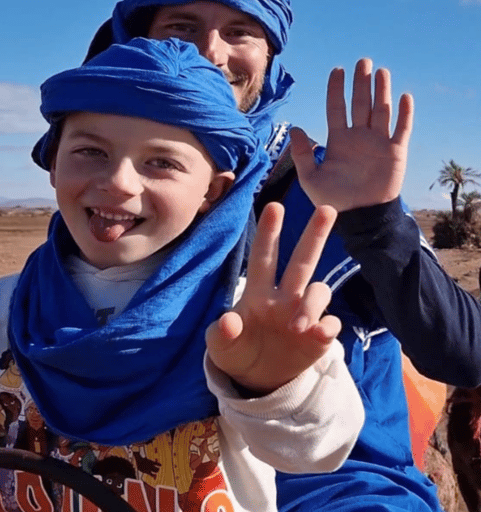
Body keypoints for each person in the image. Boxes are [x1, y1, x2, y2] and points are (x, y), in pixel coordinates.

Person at [68, 1, 481, 510]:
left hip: (336, 486)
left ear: (269, 56)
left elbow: (464, 357)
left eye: (240, 32)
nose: (210, 51)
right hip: (148, 476)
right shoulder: (105, 200)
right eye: (182, 27)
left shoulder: (322, 184)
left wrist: (376, 222)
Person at [1, 37, 364, 512]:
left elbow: (317, 451)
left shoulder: (242, 318)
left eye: (162, 162)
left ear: (212, 191)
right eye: (91, 151)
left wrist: (271, 386)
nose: (118, 182)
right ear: (53, 163)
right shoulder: (11, 305)